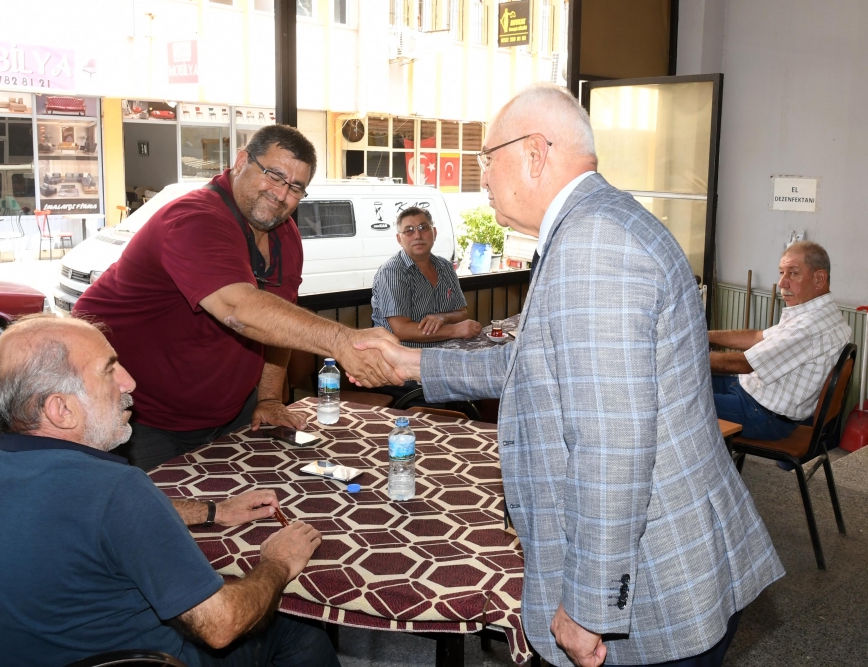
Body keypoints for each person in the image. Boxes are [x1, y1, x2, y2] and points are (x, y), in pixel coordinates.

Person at [353, 83, 784, 667]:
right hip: (675, 552)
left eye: (487, 157)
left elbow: (612, 445)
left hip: (656, 581)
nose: (482, 175)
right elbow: (539, 361)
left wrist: (588, 605)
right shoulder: (597, 222)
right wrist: (413, 363)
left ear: (535, 153)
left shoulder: (594, 244)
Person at [0, 315, 339, 667]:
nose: (129, 382)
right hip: (142, 660)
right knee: (297, 629)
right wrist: (277, 563)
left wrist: (214, 511)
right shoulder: (116, 489)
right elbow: (221, 625)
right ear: (61, 410)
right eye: (109, 371)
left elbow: (89, 516)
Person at [74, 125, 398, 470]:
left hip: (230, 411)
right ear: (242, 161)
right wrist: (341, 341)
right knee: (162, 505)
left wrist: (270, 398)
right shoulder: (195, 218)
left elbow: (279, 323)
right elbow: (238, 308)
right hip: (142, 416)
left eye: (295, 188)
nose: (281, 194)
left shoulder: (284, 234)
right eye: (274, 175)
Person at [709, 241, 851, 440]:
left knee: (677, 399)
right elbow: (757, 337)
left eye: (793, 273)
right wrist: (704, 335)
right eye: (782, 273)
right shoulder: (820, 312)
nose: (782, 283)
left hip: (762, 415)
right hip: (754, 394)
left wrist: (689, 356)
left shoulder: (809, 327)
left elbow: (743, 364)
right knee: (692, 381)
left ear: (819, 279)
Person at [372, 206, 481, 348]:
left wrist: (443, 317)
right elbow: (401, 330)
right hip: (403, 355)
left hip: (447, 350)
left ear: (434, 233)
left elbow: (462, 312)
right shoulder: (392, 271)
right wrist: (455, 330)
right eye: (409, 230)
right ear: (399, 239)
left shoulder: (445, 267)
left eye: (423, 228)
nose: (417, 235)